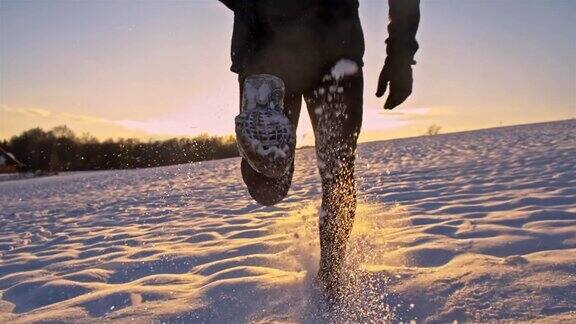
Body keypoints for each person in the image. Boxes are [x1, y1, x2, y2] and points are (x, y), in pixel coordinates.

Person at [218, 0, 420, 297]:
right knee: (272, 185)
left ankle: (330, 276)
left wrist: (401, 53)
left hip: (327, 47)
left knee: (338, 174)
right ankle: (330, 281)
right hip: (276, 45)